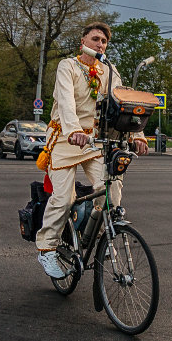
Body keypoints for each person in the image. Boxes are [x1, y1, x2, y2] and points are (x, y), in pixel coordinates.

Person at [35, 22, 148, 278]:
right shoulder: (68, 66)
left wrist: (138, 135)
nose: (100, 44)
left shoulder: (109, 70)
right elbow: (65, 102)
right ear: (83, 40)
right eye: (95, 39)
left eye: (104, 41)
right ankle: (47, 249)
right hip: (65, 139)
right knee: (64, 198)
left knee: (111, 190)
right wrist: (73, 130)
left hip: (93, 142)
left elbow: (124, 103)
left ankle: (99, 238)